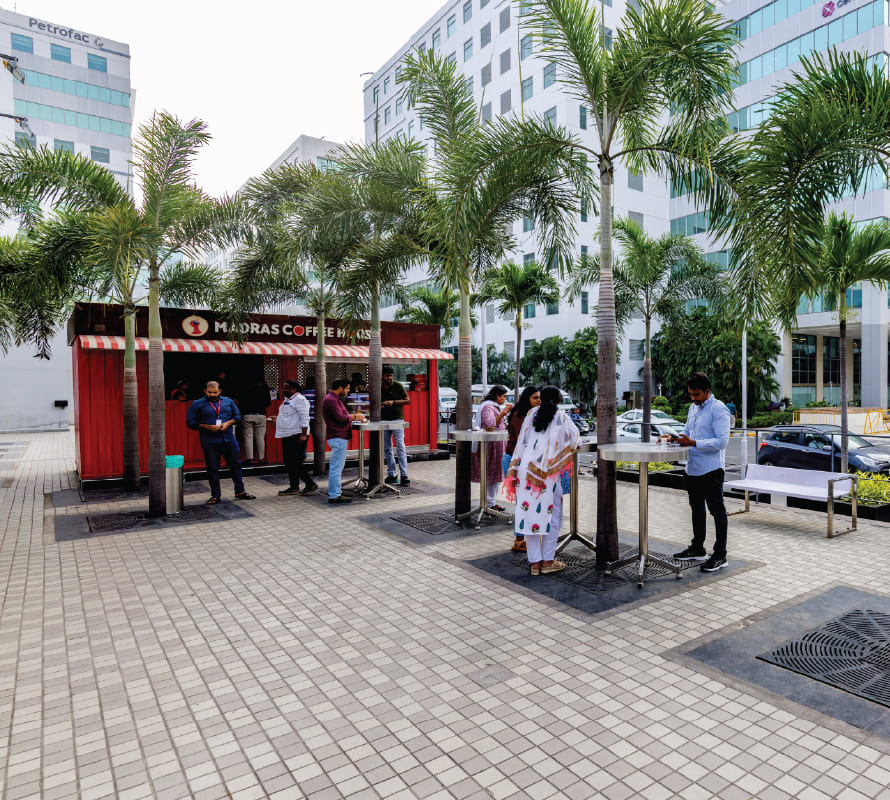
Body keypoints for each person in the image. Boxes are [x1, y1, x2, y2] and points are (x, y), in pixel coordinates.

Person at [503, 386, 579, 576]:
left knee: (529, 515)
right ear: (559, 400)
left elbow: (522, 441)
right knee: (552, 517)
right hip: (548, 474)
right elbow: (575, 440)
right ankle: (548, 561)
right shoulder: (561, 416)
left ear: (541, 399)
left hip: (525, 470)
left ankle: (535, 564)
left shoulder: (531, 414)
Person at [666, 372, 732, 573]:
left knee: (717, 512)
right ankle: (697, 548)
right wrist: (675, 437)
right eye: (690, 394)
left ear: (707, 391)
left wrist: (693, 442)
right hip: (692, 468)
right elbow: (687, 431)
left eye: (696, 394)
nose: (693, 398)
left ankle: (720, 555)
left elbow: (722, 442)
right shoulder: (692, 408)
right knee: (697, 510)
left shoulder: (719, 409)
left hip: (711, 469)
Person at [186, 380, 256, 504]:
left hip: (229, 439)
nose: (212, 395)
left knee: (236, 465)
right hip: (209, 441)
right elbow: (190, 422)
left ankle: (240, 491)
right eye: (209, 392)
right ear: (205, 391)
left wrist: (228, 423)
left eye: (215, 392)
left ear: (220, 391)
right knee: (212, 467)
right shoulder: (197, 403)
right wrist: (207, 426)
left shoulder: (228, 401)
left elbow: (237, 416)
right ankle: (215, 495)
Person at [503, 385, 541, 553]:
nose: (539, 401)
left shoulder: (532, 414)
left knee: (527, 501)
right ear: (527, 399)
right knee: (523, 502)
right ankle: (519, 541)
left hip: (524, 461)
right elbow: (524, 439)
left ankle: (524, 538)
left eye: (540, 398)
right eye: (535, 398)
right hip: (515, 461)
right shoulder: (520, 415)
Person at [322, 378, 365, 504]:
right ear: (340, 388)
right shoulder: (331, 400)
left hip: (338, 436)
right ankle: (334, 495)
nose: (348, 391)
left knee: (338, 466)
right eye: (347, 388)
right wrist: (355, 416)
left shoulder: (333, 399)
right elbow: (340, 418)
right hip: (338, 436)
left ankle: (337, 491)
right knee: (336, 467)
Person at [272, 379, 318, 496]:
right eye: (283, 388)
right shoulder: (287, 400)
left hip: (297, 435)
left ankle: (310, 484)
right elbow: (288, 416)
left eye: (286, 388)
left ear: (294, 389)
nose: (283, 390)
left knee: (296, 462)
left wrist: (303, 434)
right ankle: (294, 486)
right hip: (287, 434)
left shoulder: (300, 400)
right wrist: (276, 419)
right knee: (289, 462)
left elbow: (305, 417)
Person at [471, 385, 512, 511]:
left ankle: (490, 503)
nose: (504, 399)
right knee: (492, 475)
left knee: (495, 475)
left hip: (497, 445)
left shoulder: (492, 406)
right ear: (497, 396)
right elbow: (490, 425)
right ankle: (489, 504)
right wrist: (504, 412)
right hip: (492, 446)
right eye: (503, 396)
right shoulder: (488, 407)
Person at [381, 366, 411, 486]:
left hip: (397, 419)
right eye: (387, 376)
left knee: (400, 446)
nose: (389, 378)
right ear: (382, 376)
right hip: (383, 420)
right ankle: (392, 474)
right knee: (387, 448)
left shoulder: (398, 385)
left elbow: (408, 400)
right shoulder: (379, 387)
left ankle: (404, 475)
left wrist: (394, 402)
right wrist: (381, 405)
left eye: (391, 376)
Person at [240, 377, 272, 465]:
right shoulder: (264, 387)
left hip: (247, 414)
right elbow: (268, 403)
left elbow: (240, 400)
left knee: (248, 437)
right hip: (261, 414)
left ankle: (249, 459)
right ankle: (261, 458)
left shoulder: (245, 386)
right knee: (260, 437)